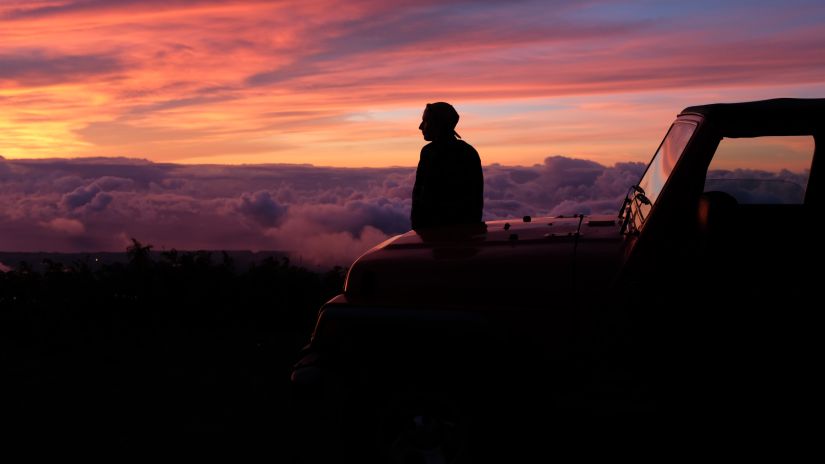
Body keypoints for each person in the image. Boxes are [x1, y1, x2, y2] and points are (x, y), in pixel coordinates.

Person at [410, 102, 483, 230]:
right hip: (464, 235)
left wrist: (419, 229)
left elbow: (421, 197)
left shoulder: (429, 153)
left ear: (439, 125)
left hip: (439, 236)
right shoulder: (469, 152)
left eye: (426, 121)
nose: (420, 126)